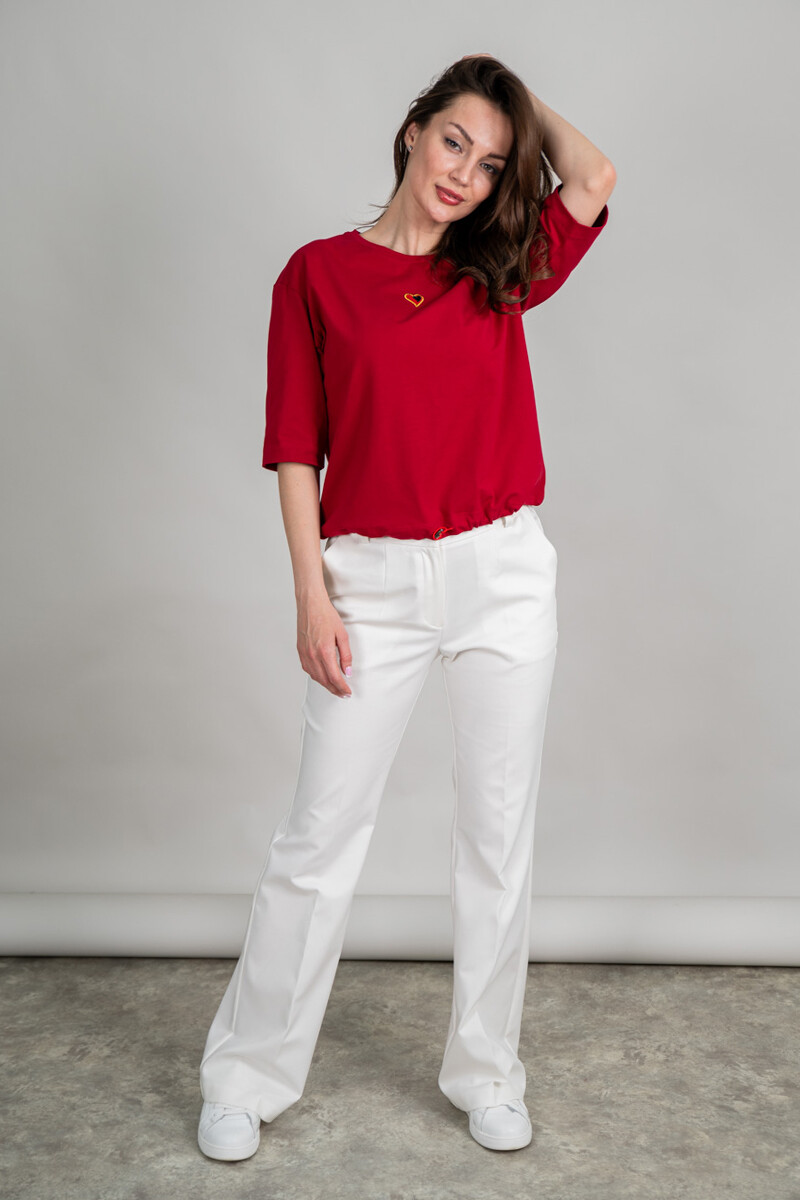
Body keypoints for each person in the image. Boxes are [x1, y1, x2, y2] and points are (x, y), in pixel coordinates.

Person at [197, 52, 614, 1160]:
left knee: (496, 834)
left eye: (491, 163)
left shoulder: (498, 269)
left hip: (501, 573)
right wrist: (310, 594)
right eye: (452, 140)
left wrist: (513, 99)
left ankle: (488, 1072)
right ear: (412, 129)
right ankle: (244, 1075)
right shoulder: (317, 276)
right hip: (370, 583)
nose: (464, 173)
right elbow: (296, 446)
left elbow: (592, 176)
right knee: (317, 835)